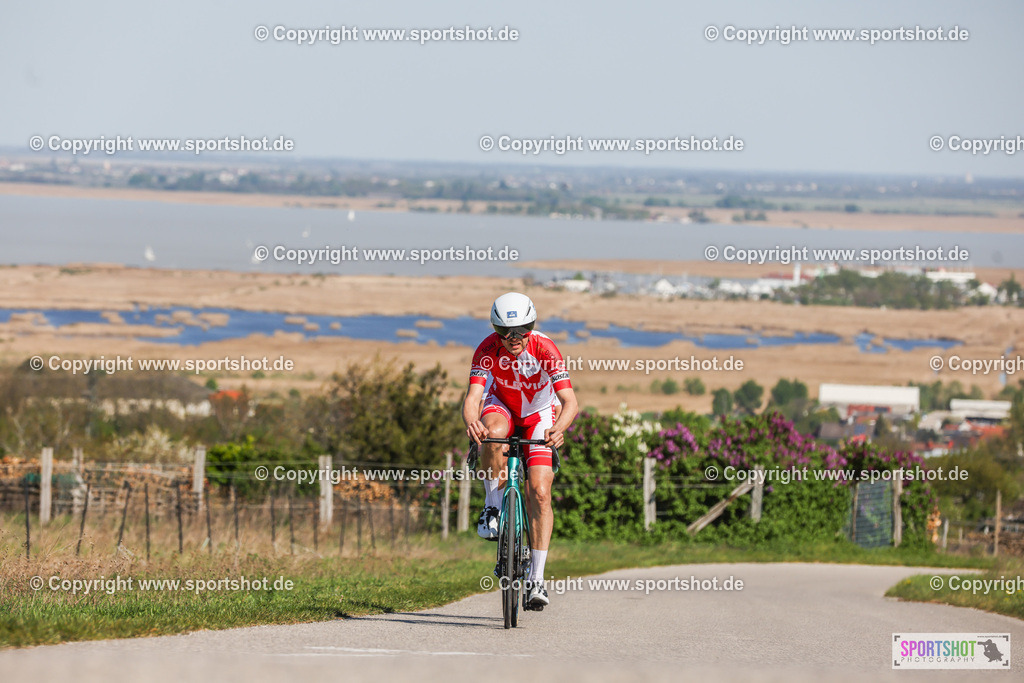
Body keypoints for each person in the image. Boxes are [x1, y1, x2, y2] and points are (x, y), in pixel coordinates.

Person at [463, 292, 578, 610]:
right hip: (502, 408)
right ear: (495, 330)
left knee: (540, 491)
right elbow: (474, 397)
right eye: (504, 332)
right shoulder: (486, 349)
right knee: (492, 434)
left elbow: (570, 402)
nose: (513, 339)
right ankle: (492, 506)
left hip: (539, 415)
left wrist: (560, 429)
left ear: (532, 326)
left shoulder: (545, 348)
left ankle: (537, 579)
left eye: (521, 330)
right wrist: (473, 421)